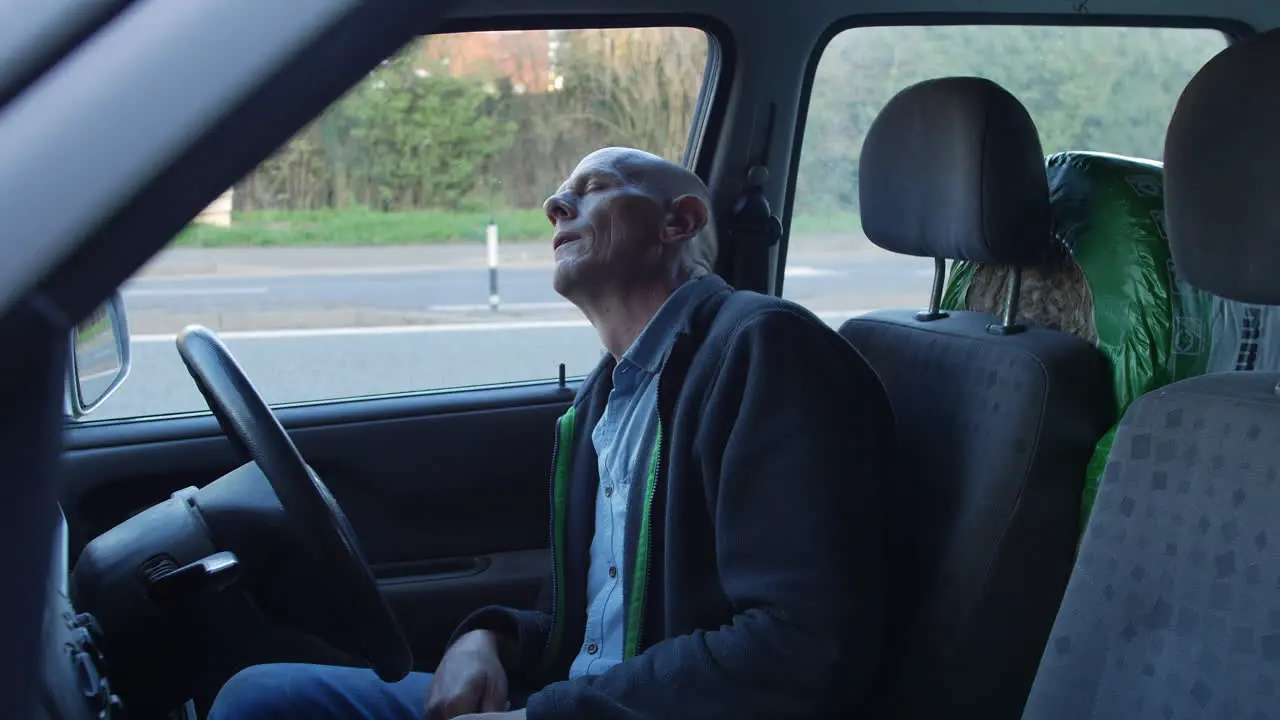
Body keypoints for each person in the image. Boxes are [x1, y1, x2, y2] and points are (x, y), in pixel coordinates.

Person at [208, 147, 892, 719]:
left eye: (593, 190)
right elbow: (589, 626)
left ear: (679, 222)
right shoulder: (606, 398)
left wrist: (542, 714)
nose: (555, 208)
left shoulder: (764, 350)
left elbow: (798, 645)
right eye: (558, 198)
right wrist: (489, 639)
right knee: (263, 696)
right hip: (579, 701)